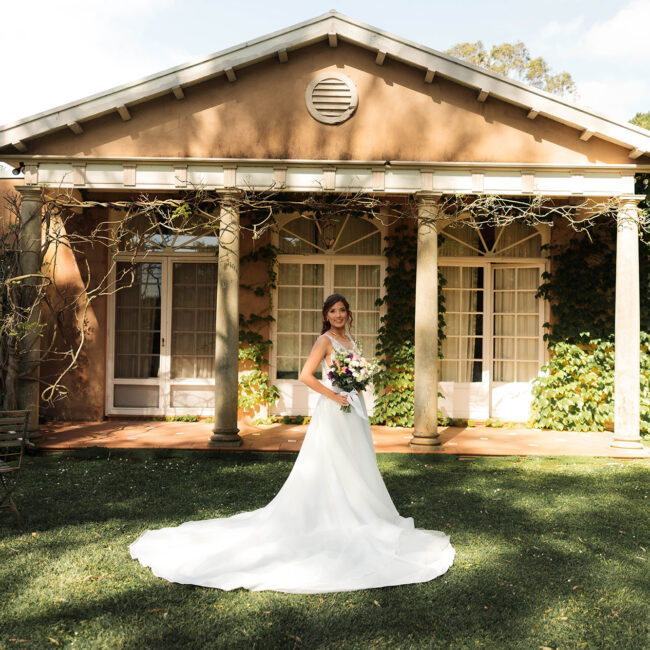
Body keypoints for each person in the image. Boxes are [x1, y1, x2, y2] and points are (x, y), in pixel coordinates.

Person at [129, 294, 455, 593]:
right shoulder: (325, 340)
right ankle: (333, 514)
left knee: (355, 462)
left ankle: (358, 508)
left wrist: (357, 383)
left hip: (353, 410)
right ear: (325, 316)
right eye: (333, 311)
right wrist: (336, 395)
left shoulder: (350, 339)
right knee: (333, 461)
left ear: (348, 314)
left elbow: (353, 372)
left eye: (342, 310)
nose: (338, 315)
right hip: (334, 410)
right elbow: (305, 375)